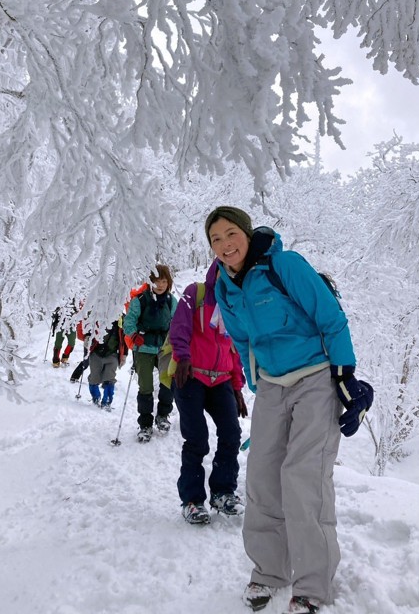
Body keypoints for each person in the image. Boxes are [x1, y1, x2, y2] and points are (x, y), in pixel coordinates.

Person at [204, 206, 373, 614]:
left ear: (246, 233)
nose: (225, 245)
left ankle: (313, 585)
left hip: (314, 379)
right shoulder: (225, 287)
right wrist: (255, 382)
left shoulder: (285, 265)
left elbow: (330, 318)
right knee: (262, 478)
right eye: (215, 240)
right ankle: (268, 573)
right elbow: (242, 340)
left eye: (231, 234)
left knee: (303, 478)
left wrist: (344, 374)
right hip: (272, 387)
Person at [168, 258, 248, 525]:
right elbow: (179, 326)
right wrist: (183, 357)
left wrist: (237, 387)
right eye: (227, 270)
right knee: (197, 438)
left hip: (221, 380)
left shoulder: (237, 305)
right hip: (191, 375)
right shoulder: (196, 293)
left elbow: (235, 349)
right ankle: (192, 500)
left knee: (231, 434)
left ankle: (223, 492)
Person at [123, 264, 178, 442]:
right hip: (144, 348)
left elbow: (178, 323)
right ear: (150, 282)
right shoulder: (140, 300)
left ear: (168, 283)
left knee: (168, 383)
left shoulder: (171, 301)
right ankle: (145, 424)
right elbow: (128, 322)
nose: (160, 285)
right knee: (145, 387)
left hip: (165, 348)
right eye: (156, 281)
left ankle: (163, 415)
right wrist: (134, 335)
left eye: (164, 281)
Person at [70, 318, 125, 409]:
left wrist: (124, 354)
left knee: (110, 378)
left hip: (113, 354)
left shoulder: (121, 319)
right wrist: (87, 338)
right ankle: (96, 398)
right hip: (96, 353)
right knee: (94, 379)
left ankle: (106, 402)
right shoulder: (97, 314)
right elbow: (85, 328)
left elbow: (124, 338)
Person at [51, 299, 80, 367]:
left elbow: (79, 311)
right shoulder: (61, 298)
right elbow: (55, 309)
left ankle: (65, 357)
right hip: (61, 325)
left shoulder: (75, 299)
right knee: (58, 343)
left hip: (71, 325)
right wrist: (55, 313)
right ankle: (56, 360)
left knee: (72, 342)